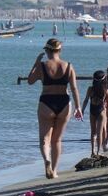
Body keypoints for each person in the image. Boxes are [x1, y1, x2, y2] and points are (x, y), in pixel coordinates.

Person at [26, 38, 83, 179]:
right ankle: (55, 170)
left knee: (44, 139)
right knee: (57, 140)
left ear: (47, 51)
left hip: (47, 102)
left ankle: (47, 161)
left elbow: (30, 81)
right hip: (64, 102)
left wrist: (35, 64)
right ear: (60, 50)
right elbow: (74, 88)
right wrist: (78, 107)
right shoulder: (68, 66)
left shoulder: (42, 65)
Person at [81, 71, 108, 156]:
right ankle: (98, 151)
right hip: (101, 111)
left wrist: (82, 110)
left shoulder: (90, 89)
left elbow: (86, 100)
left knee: (93, 132)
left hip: (92, 110)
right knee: (99, 132)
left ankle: (93, 151)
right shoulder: (106, 91)